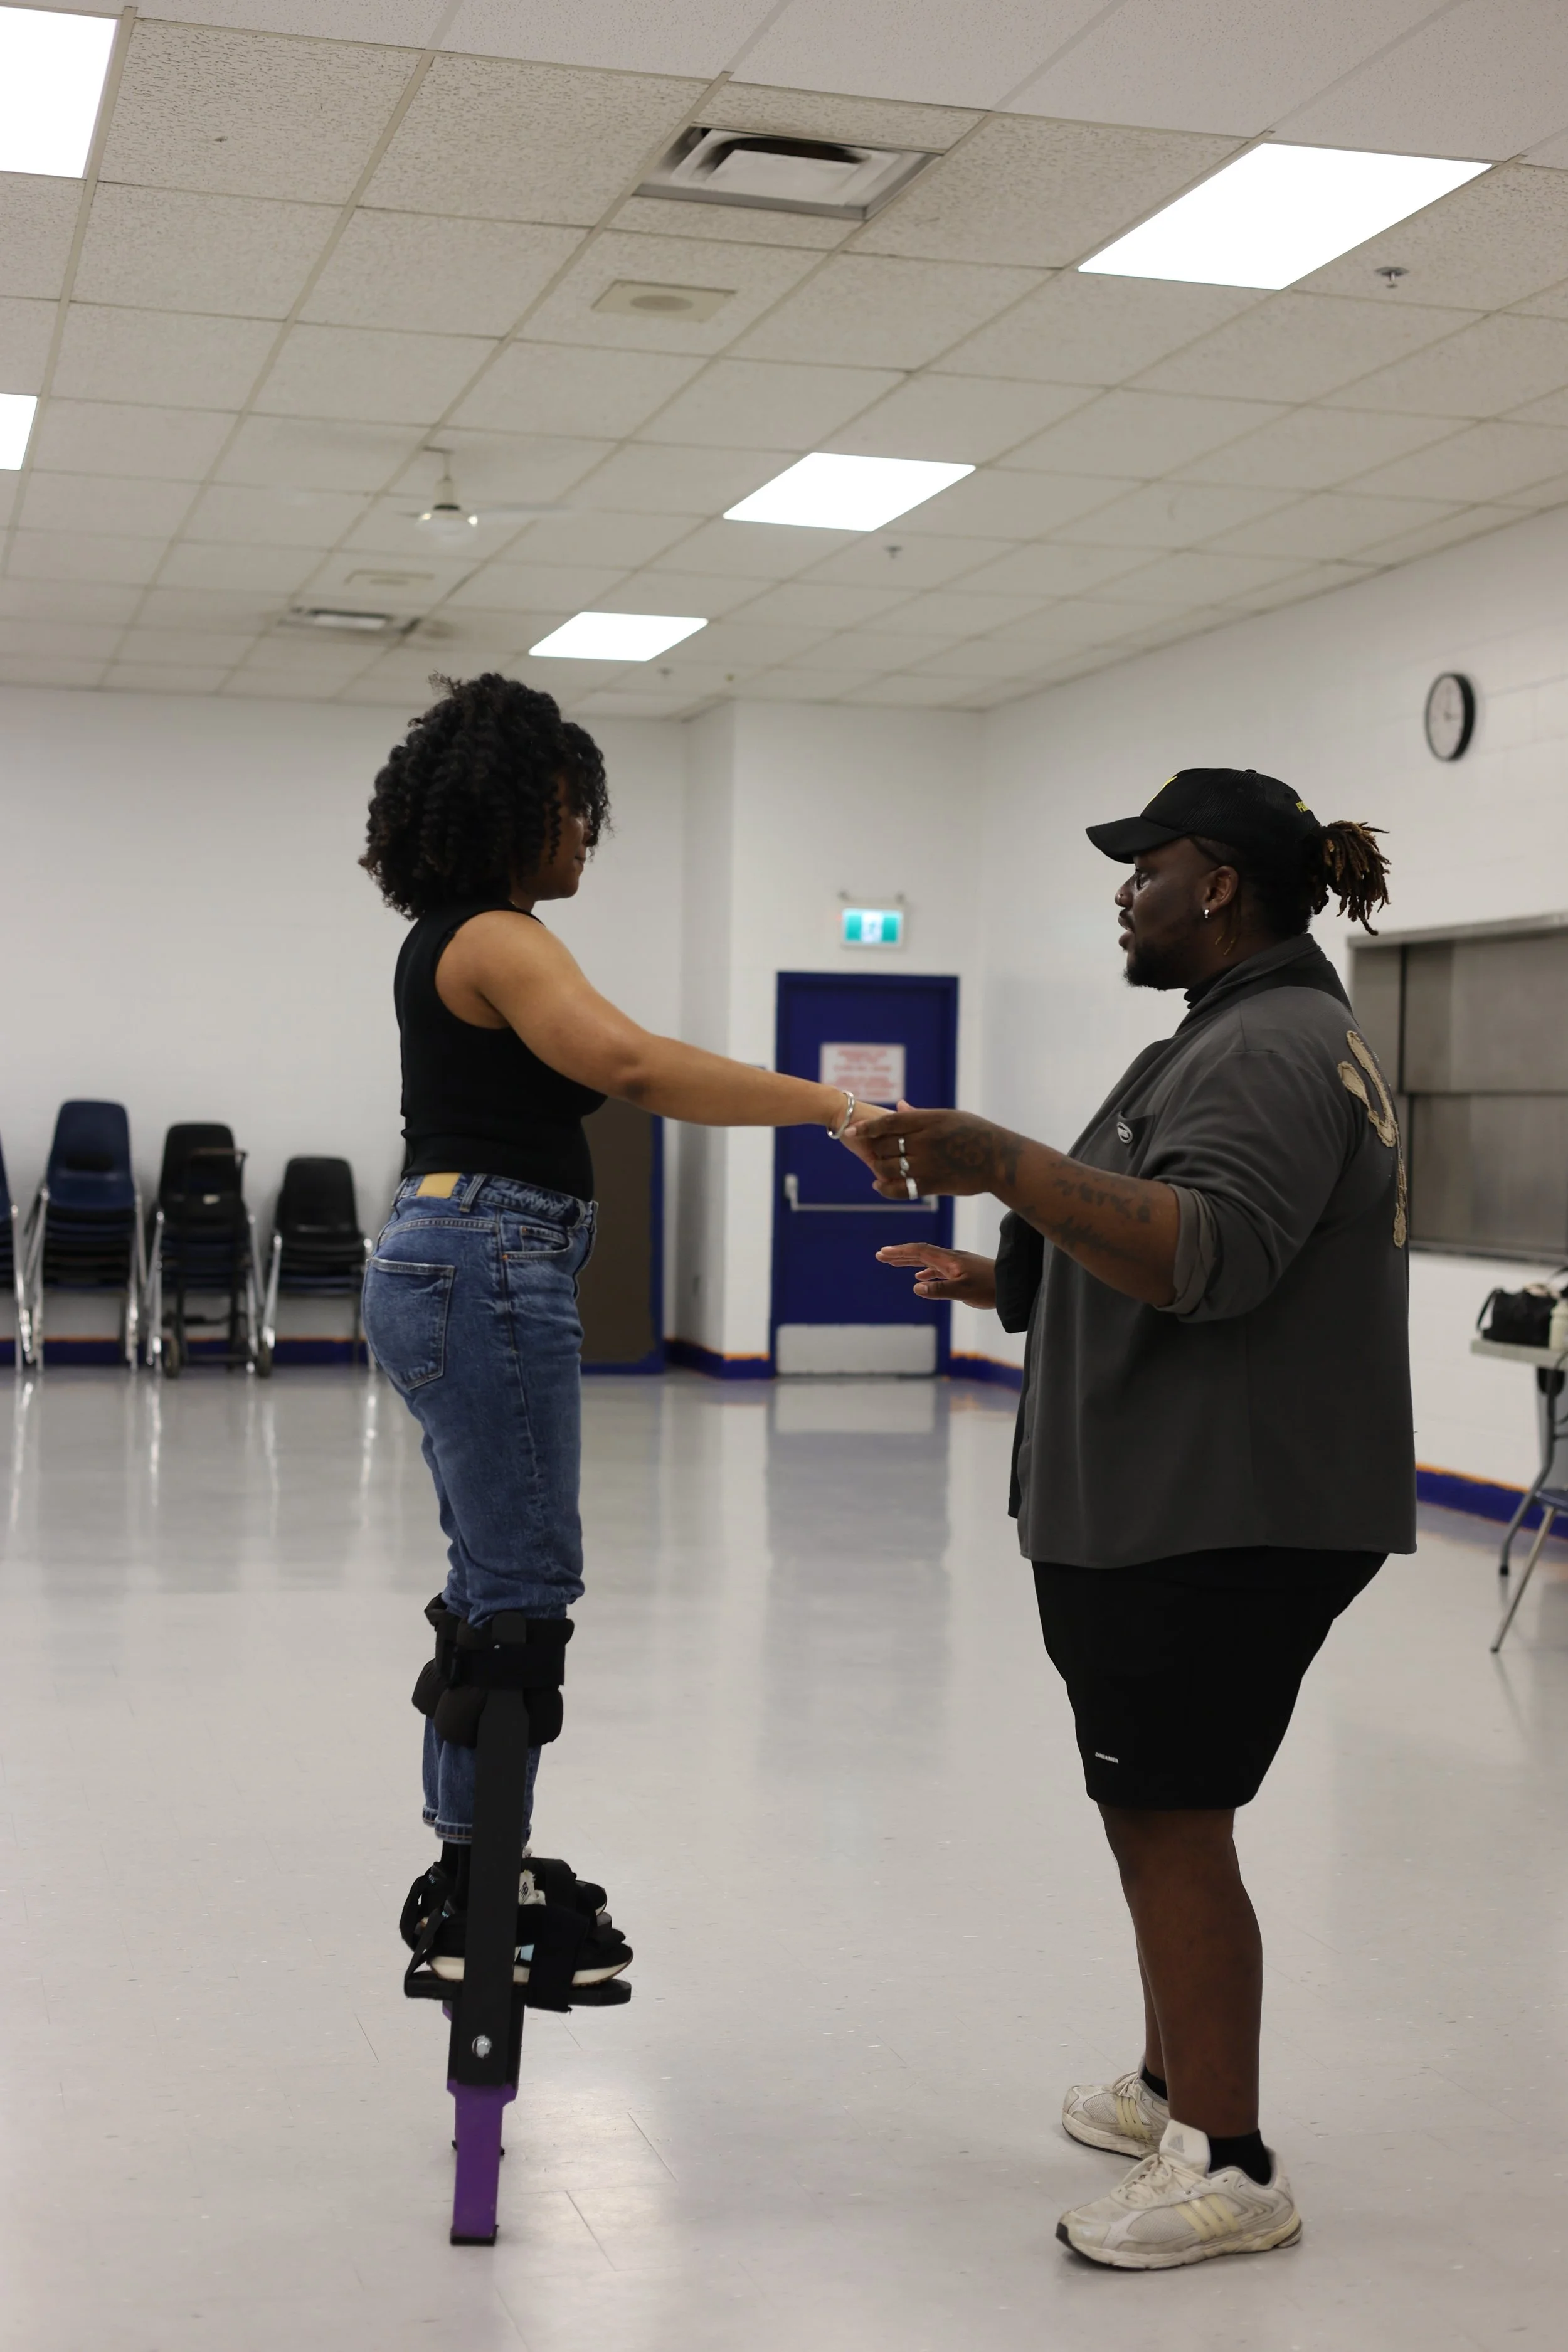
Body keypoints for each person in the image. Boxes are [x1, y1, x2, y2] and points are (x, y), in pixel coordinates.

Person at [866, 768, 1412, 2270]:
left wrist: (999, 1162)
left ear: (1217, 884)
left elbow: (1211, 1254)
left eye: (1144, 867)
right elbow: (1163, 1229)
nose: (1123, 891)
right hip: (1178, 1492)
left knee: (1172, 1816)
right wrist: (1004, 1271)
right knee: (1148, 1805)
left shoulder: (1270, 1046)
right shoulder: (1233, 1034)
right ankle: (1174, 2082)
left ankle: (1227, 2164)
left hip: (1214, 1506)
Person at [359, 673, 879, 1998]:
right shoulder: (497, 938)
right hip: (484, 1255)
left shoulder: (451, 937)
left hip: (455, 1252)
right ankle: (480, 1880)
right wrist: (832, 1107)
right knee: (520, 1598)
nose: (584, 835)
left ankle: (471, 1865)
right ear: (515, 812)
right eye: (569, 810)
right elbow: (631, 1067)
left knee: (495, 1585)